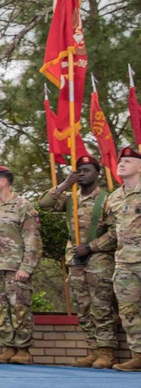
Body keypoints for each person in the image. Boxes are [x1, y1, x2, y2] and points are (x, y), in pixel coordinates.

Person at [39, 155, 118, 368]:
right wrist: (66, 184)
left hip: (99, 259)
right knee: (82, 306)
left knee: (101, 305)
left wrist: (91, 247)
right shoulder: (71, 199)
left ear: (97, 174)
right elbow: (44, 204)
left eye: (87, 171)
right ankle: (92, 349)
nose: (82, 174)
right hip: (75, 260)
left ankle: (106, 352)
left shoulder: (107, 200)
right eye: (79, 171)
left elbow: (116, 232)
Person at [0, 166, 41, 365]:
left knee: (20, 307)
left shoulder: (23, 206)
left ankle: (23, 350)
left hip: (15, 267)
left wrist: (26, 267)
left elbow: (32, 239)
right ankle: (8, 347)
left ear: (3, 181)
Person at [89, 147, 141, 371]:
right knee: (129, 311)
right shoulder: (114, 198)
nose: (121, 164)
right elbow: (111, 230)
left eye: (128, 161)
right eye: (121, 162)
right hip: (125, 263)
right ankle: (139, 355)